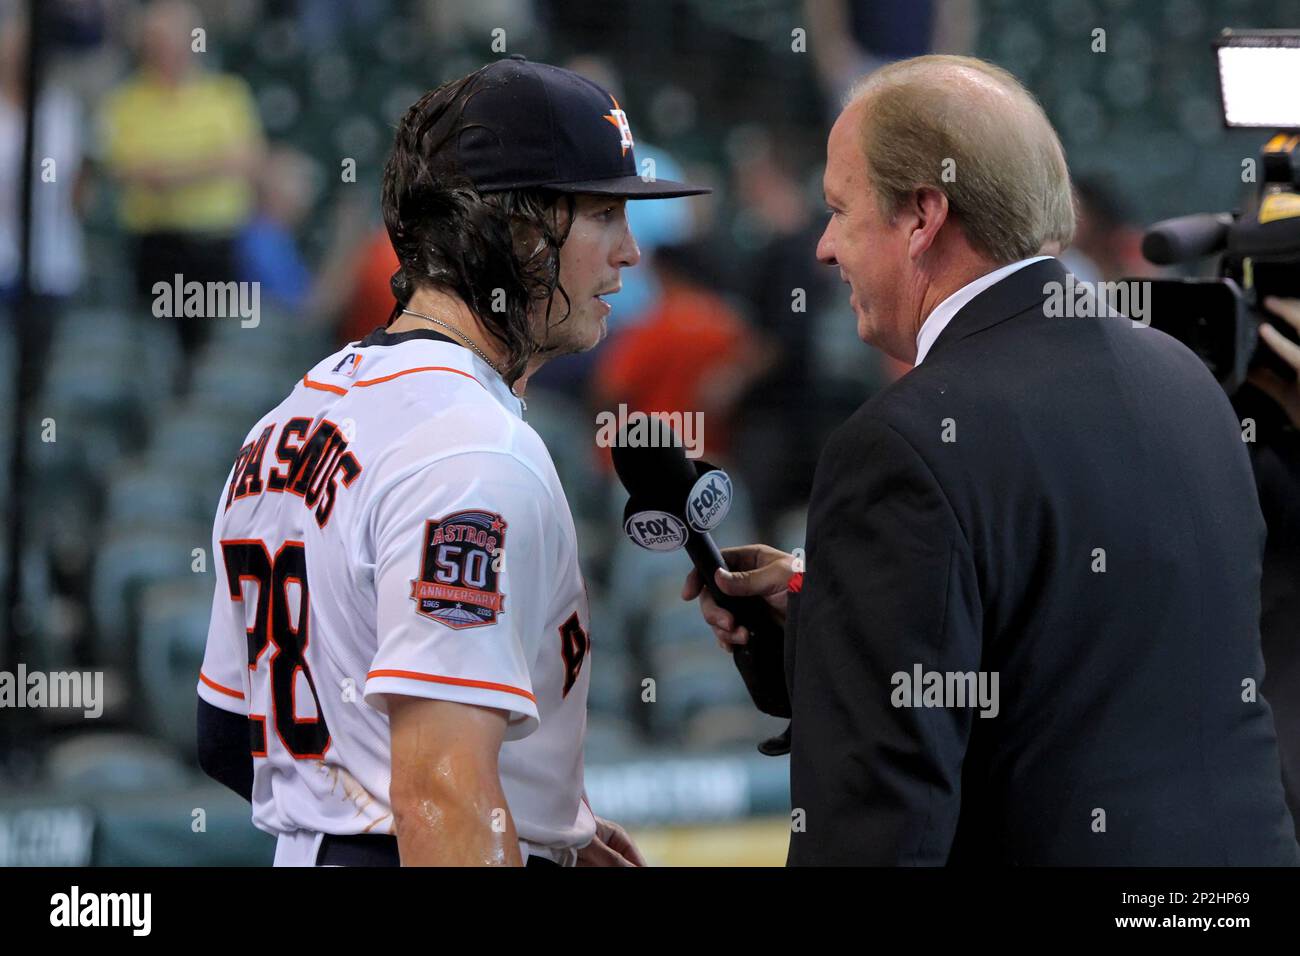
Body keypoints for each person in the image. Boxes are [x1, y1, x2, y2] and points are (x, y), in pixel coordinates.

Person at [683, 54, 1299, 865]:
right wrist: (833, 621)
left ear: (922, 216)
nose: (825, 247)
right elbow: (1083, 657)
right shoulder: (1186, 380)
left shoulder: (899, 442)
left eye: (840, 209)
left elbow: (878, 817)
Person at [195, 56, 708, 867]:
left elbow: (227, 737)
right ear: (514, 227)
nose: (631, 252)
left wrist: (540, 827)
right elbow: (440, 795)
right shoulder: (474, 451)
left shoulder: (285, 419)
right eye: (605, 214)